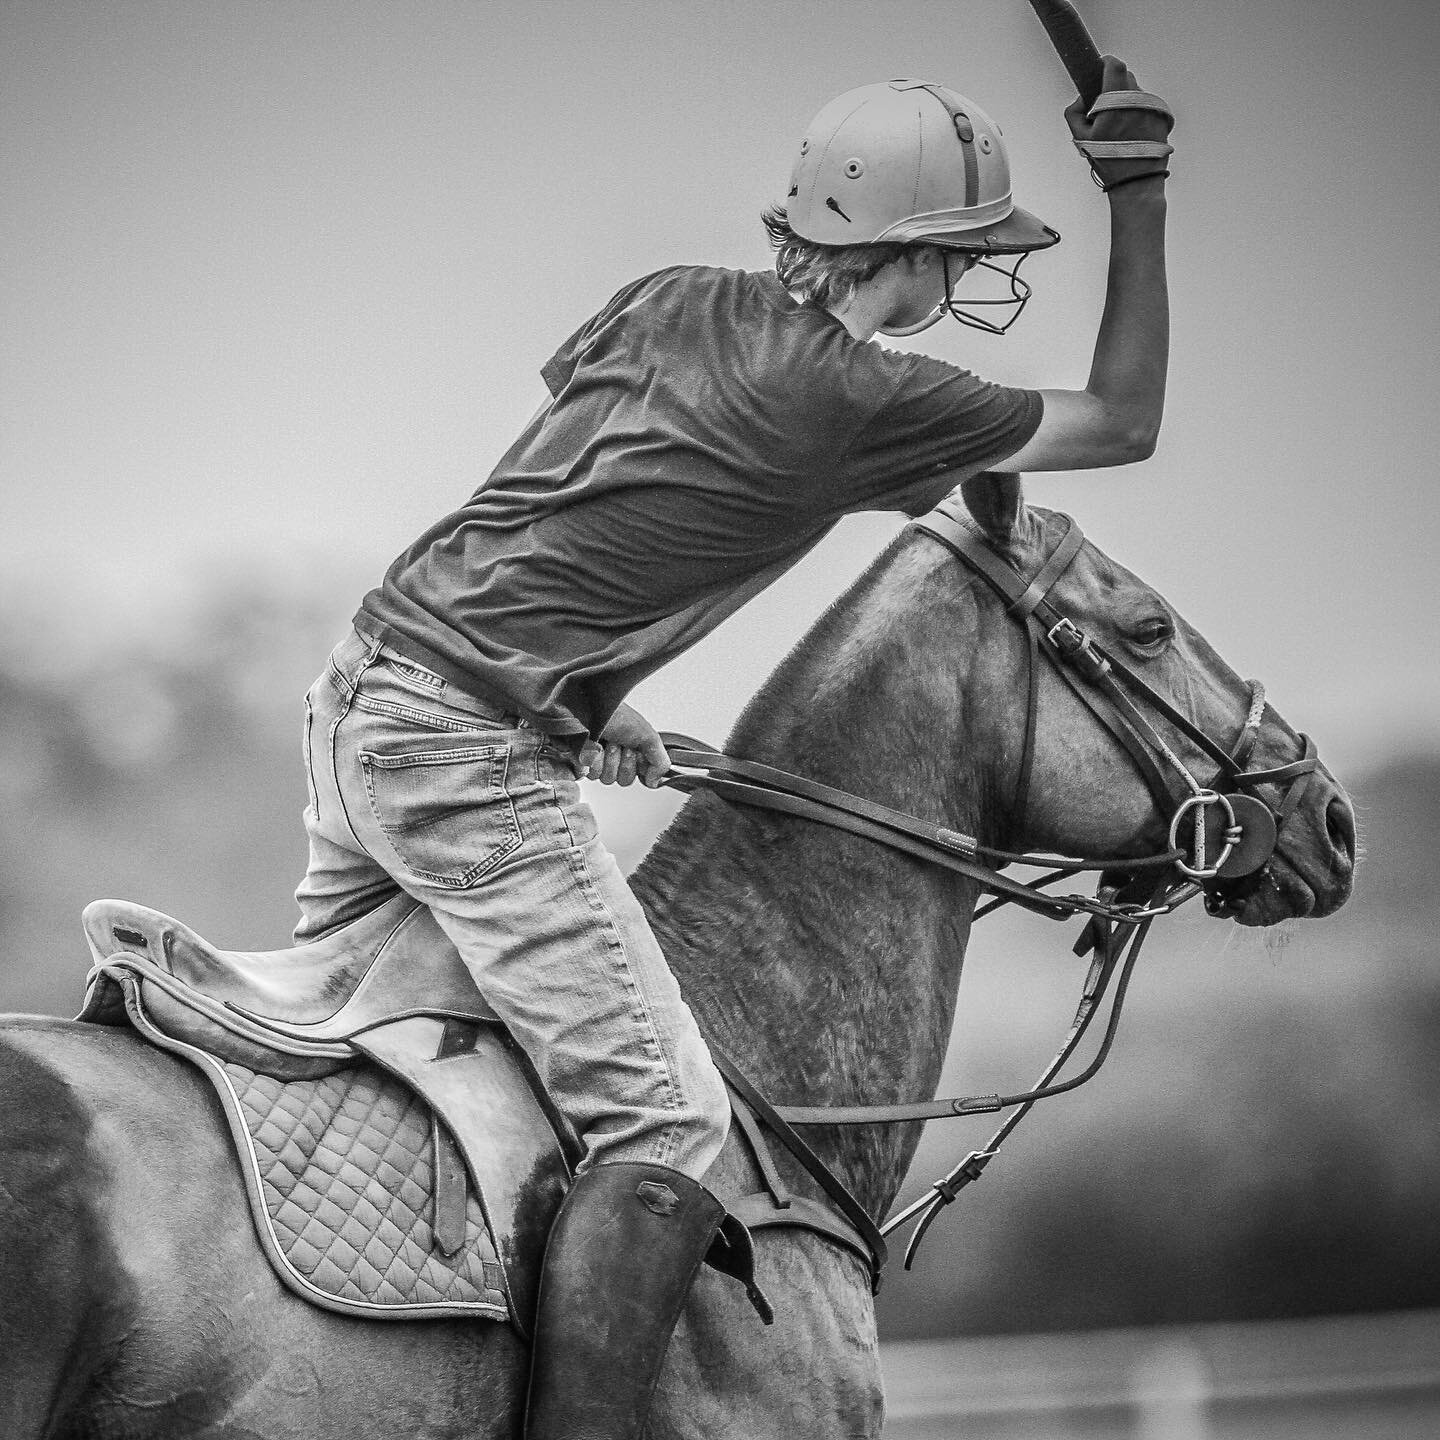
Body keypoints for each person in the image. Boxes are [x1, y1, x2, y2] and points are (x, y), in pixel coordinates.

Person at [293, 55, 1172, 1440]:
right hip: (466, 759)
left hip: (366, 695)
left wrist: (579, 690)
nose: (969, 284)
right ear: (919, 258)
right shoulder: (866, 400)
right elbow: (1123, 421)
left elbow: (588, 475)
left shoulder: (669, 294)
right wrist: (1141, 195)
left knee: (355, 1052)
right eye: (970, 256)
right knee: (668, 1134)